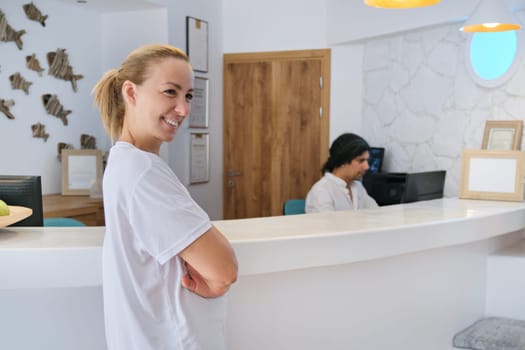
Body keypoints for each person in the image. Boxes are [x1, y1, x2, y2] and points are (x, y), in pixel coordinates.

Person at [92, 44, 238, 350]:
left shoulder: (126, 163)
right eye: (170, 92)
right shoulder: (141, 171)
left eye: (188, 95)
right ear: (130, 93)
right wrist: (213, 283)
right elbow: (223, 269)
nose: (183, 109)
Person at [305, 133, 378, 213]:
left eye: (367, 161)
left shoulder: (357, 186)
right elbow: (327, 225)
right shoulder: (322, 191)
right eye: (361, 161)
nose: (367, 167)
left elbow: (376, 213)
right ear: (342, 161)